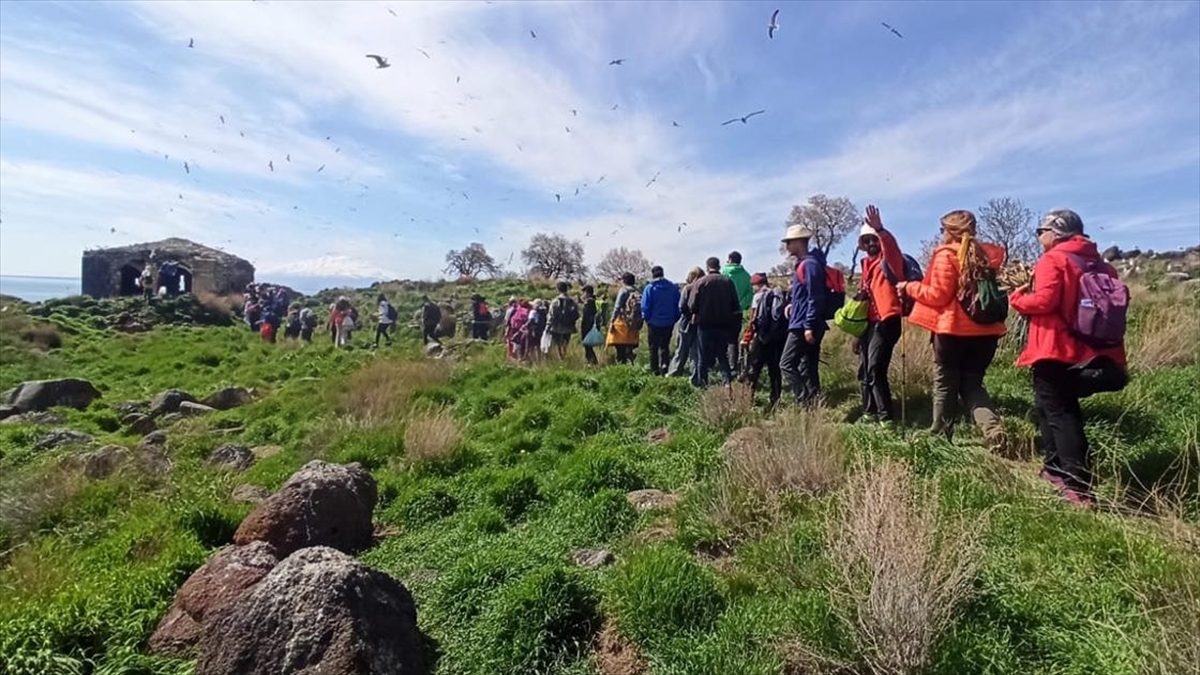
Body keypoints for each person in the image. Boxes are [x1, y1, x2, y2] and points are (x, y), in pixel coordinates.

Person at [1010, 209, 1128, 507]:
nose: (1039, 237)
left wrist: (1017, 298)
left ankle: (1077, 486)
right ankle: (1054, 468)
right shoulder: (1101, 264)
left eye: (1041, 231)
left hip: (1054, 347)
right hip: (1094, 350)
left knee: (1061, 413)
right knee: (1050, 407)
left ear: (1056, 232)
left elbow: (1045, 301)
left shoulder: (1054, 259)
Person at [896, 210, 1006, 446]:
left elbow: (937, 295)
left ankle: (939, 438)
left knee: (945, 385)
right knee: (973, 385)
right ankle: (993, 430)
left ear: (951, 231)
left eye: (942, 230)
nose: (941, 235)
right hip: (986, 334)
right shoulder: (988, 255)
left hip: (952, 333)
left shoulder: (947, 255)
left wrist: (909, 287)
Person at [855, 205, 907, 423]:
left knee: (875, 367)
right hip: (869, 323)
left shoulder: (890, 260)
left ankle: (886, 418)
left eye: (873, 239)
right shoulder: (865, 266)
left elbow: (891, 248)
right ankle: (869, 412)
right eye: (866, 241)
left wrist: (881, 230)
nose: (871, 244)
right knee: (865, 369)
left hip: (887, 320)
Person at [780, 225, 829, 405]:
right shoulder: (806, 264)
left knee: (786, 364)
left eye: (789, 242)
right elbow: (807, 295)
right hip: (805, 322)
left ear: (800, 242)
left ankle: (805, 400)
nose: (787, 247)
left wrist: (808, 325)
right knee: (808, 366)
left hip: (804, 326)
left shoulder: (809, 265)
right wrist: (793, 305)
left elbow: (816, 297)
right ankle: (814, 404)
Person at [689, 257, 741, 387]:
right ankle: (727, 382)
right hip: (724, 324)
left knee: (702, 356)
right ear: (719, 266)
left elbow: (692, 305)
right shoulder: (728, 282)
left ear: (707, 267)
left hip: (705, 325)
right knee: (722, 355)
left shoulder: (701, 282)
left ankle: (703, 385)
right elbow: (735, 305)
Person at [743, 273, 787, 407]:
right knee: (775, 369)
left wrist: (746, 338)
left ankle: (748, 399)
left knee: (753, 368)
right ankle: (775, 399)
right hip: (778, 338)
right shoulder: (778, 294)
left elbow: (753, 320)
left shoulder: (758, 297)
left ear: (757, 285)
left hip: (762, 338)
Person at [641, 266, 682, 375]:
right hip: (668, 322)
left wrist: (647, 319)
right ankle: (665, 366)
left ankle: (654, 370)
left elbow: (645, 306)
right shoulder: (673, 288)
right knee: (665, 345)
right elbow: (678, 305)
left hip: (653, 322)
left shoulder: (649, 288)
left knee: (653, 347)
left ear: (653, 274)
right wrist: (675, 318)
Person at [666, 267, 704, 378]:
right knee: (695, 353)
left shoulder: (687, 288)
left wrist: (690, 316)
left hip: (685, 324)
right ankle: (695, 376)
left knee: (681, 350)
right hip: (699, 324)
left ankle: (674, 373)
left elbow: (681, 306)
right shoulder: (704, 289)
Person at [722, 251, 754, 374]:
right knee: (733, 339)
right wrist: (741, 306)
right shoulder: (746, 276)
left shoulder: (723, 273)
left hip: (723, 311)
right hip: (737, 312)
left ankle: (722, 366)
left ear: (729, 259)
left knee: (721, 338)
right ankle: (733, 366)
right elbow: (749, 294)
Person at [607, 272, 641, 365]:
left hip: (622, 323)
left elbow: (617, 307)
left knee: (620, 349)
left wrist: (612, 321)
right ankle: (630, 365)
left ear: (624, 281)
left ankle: (621, 369)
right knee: (628, 348)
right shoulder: (637, 291)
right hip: (634, 324)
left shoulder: (623, 291)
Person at [548, 282, 580, 359]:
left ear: (558, 289)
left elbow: (551, 314)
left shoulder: (555, 301)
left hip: (557, 326)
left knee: (558, 344)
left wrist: (549, 325)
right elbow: (577, 314)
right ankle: (564, 355)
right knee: (565, 343)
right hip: (568, 326)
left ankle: (560, 357)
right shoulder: (572, 301)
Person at [579, 285, 602, 365]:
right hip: (594, 325)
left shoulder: (589, 302)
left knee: (587, 346)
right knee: (588, 346)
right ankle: (592, 362)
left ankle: (592, 363)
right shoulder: (595, 301)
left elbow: (586, 316)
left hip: (587, 326)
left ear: (587, 292)